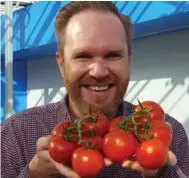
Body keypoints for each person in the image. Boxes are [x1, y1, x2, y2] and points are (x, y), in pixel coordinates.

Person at [1, 1, 189, 178]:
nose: (99, 72)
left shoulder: (170, 137)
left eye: (113, 55)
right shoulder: (16, 134)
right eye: (83, 56)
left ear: (129, 59)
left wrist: (163, 172)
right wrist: (34, 174)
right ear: (61, 63)